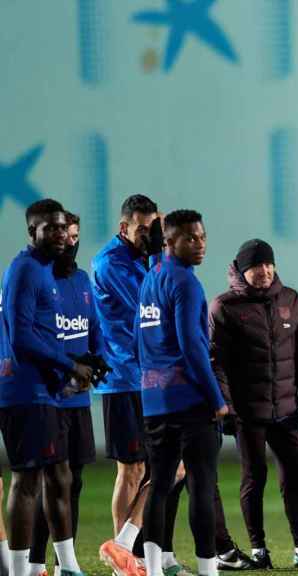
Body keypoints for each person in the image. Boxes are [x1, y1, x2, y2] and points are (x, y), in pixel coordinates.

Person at [209, 239, 298, 569]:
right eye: (255, 266)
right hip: (248, 414)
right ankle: (259, 550)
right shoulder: (224, 307)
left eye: (268, 264)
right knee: (255, 477)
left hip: (287, 410)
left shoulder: (290, 300)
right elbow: (216, 363)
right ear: (241, 270)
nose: (263, 271)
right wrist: (226, 409)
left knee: (297, 474)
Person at [0, 199, 93, 576]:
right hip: (24, 391)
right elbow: (22, 337)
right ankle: (21, 571)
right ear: (31, 232)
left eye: (62, 228)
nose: (60, 235)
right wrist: (69, 363)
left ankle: (66, 565)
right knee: (26, 480)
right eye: (50, 228)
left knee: (61, 475)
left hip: (46, 390)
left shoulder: (43, 270)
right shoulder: (25, 270)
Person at [136, 210, 229, 576]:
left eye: (203, 236)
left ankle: (154, 569)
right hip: (190, 400)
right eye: (191, 238)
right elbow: (193, 346)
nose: (201, 243)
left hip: (154, 400)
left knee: (158, 485)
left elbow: (137, 338)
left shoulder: (150, 278)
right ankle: (208, 570)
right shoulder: (187, 283)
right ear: (170, 243)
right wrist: (217, 399)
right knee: (201, 485)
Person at [28, 213, 100, 575]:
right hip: (48, 397)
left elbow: (92, 329)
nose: (70, 242)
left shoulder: (83, 281)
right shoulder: (37, 282)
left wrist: (97, 363)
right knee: (50, 481)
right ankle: (36, 562)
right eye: (64, 235)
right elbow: (33, 339)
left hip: (78, 399)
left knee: (75, 481)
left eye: (75, 236)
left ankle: (61, 564)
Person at [93, 195, 160, 574]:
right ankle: (125, 559)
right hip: (123, 377)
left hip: (150, 376)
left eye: (152, 228)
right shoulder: (111, 262)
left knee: (168, 468)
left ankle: (126, 549)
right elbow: (148, 307)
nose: (148, 235)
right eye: (141, 229)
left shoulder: (145, 257)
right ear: (124, 228)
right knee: (132, 469)